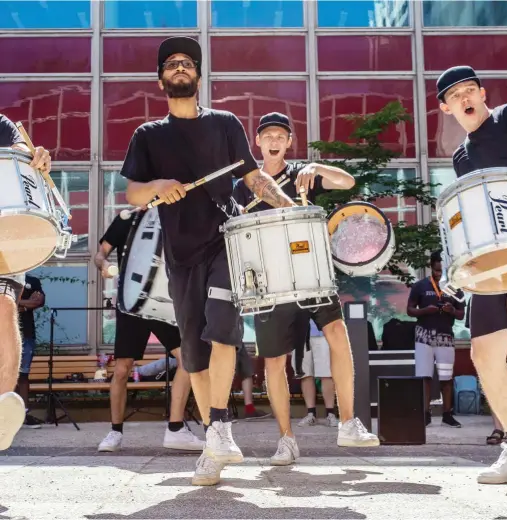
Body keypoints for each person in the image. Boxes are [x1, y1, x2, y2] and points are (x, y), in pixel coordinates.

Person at [119, 37, 295, 486]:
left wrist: (290, 210)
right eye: (171, 64)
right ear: (161, 79)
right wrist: (157, 183)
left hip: (225, 242)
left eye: (187, 63)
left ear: (198, 75)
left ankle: (218, 424)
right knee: (193, 357)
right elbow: (133, 194)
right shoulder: (148, 136)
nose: (180, 68)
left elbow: (254, 179)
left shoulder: (225, 124)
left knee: (222, 329)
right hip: (179, 254)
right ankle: (214, 444)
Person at [232, 112, 379, 466]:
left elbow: (348, 182)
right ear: (257, 142)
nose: (273, 141)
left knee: (337, 334)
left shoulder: (302, 174)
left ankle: (348, 422)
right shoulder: (243, 183)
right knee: (273, 362)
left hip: (310, 271)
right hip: (269, 280)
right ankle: (286, 439)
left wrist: (320, 168)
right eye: (267, 135)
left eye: (280, 135)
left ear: (289, 142)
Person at [437, 65, 507, 483]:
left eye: (471, 90)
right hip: (489, 263)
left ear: (483, 93)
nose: (465, 98)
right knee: (484, 356)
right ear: (447, 109)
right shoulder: (460, 157)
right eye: (456, 96)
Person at [95, 212, 204, 453]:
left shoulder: (176, 216)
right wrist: (104, 265)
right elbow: (100, 253)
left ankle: (175, 429)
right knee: (122, 369)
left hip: (165, 302)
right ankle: (115, 432)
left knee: (187, 361)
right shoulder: (128, 218)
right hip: (131, 301)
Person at [0, 114, 51, 450]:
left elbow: (19, 148)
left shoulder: (1, 123)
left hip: (5, 231)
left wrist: (34, 158)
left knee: (4, 308)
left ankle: (1, 415)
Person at [407, 251, 465, 428]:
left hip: (445, 336)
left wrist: (451, 311)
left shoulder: (455, 287)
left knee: (446, 378)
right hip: (423, 336)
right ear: (431, 266)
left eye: (443, 271)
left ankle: (447, 414)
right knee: (424, 377)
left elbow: (461, 314)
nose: (440, 274)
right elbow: (409, 310)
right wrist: (425, 311)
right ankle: (425, 414)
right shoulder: (420, 286)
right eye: (437, 270)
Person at [292, 320, 338, 427]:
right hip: (300, 332)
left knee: (327, 373)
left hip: (324, 330)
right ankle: (310, 414)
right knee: (305, 374)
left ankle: (330, 414)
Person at [16, 274, 45, 429]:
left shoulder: (32, 280)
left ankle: (23, 415)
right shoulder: (3, 278)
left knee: (23, 375)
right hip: (5, 333)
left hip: (26, 334)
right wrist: (26, 304)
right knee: (5, 375)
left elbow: (39, 301)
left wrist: (16, 303)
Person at [235, 345, 270, 421]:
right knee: (223, 372)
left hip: (235, 337)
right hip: (219, 339)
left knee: (247, 370)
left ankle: (249, 410)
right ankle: (221, 411)